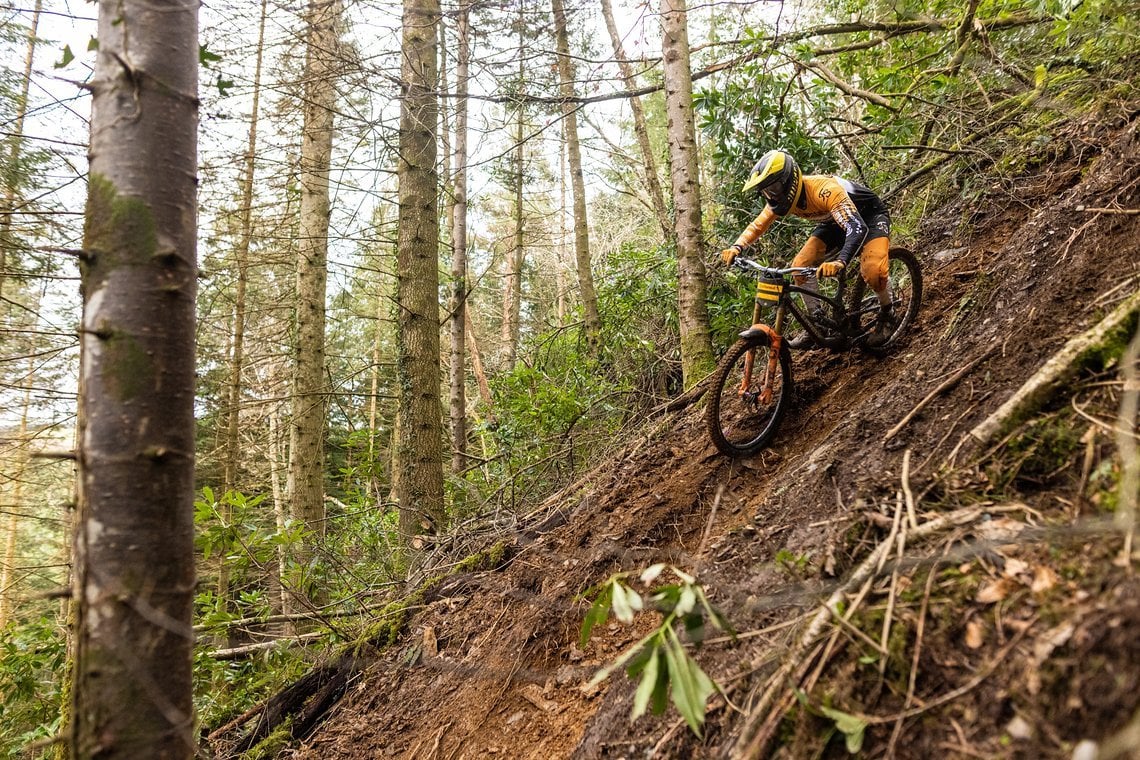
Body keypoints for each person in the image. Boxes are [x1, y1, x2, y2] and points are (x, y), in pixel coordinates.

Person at [720, 149, 895, 347]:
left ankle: (888, 312)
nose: (772, 195)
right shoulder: (778, 200)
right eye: (767, 191)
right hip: (834, 222)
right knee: (800, 266)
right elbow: (758, 225)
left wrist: (840, 261)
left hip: (868, 218)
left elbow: (856, 227)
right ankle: (817, 325)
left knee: (873, 271)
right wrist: (737, 247)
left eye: (775, 188)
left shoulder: (824, 190)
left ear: (789, 179)